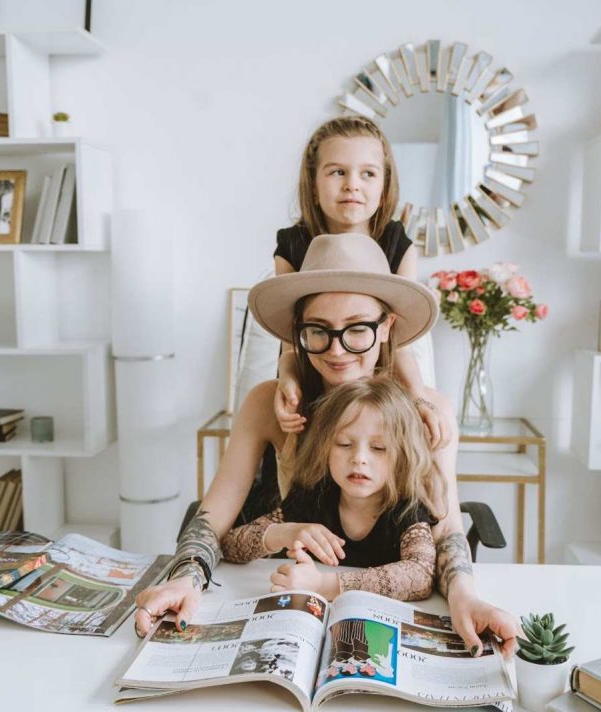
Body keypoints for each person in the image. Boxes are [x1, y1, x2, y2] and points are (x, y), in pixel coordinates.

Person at [133, 233, 519, 659]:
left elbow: (445, 530)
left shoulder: (426, 413)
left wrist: (465, 596)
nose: (336, 351)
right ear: (298, 331)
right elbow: (213, 517)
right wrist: (186, 577)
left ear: (387, 326)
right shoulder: (268, 403)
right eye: (318, 331)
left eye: (357, 329)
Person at [273, 115, 449, 450]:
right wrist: (289, 382)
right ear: (313, 184)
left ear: (383, 188)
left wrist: (418, 399)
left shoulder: (396, 244)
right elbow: (291, 341)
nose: (352, 184)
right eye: (337, 171)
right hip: (314, 379)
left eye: (367, 174)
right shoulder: (293, 244)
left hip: (378, 386)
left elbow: (399, 344)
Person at [221, 377, 443, 601]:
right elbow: (230, 546)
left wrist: (324, 585)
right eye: (345, 444)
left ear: (403, 456)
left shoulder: (407, 507)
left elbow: (421, 575)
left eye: (378, 448)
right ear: (325, 448)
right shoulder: (313, 496)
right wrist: (282, 533)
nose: (359, 458)